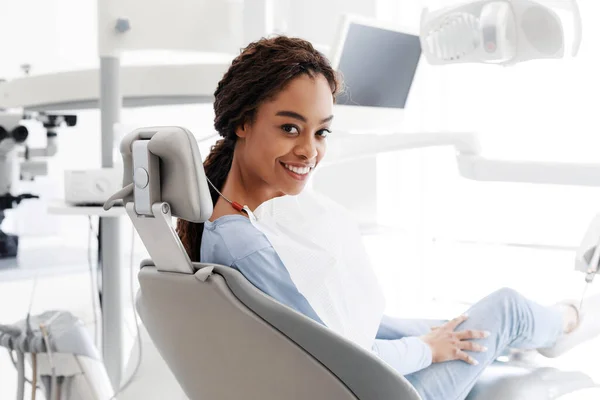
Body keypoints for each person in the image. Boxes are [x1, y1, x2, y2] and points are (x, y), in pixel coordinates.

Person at [176, 36, 600, 400]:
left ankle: (533, 333)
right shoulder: (250, 249)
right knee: (507, 309)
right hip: (379, 391)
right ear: (243, 122)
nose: (309, 151)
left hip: (355, 382)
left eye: (321, 132)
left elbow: (345, 330)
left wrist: (434, 334)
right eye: (290, 128)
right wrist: (428, 350)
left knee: (460, 323)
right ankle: (570, 322)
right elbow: (345, 354)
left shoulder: (226, 225)